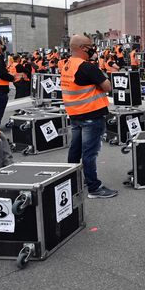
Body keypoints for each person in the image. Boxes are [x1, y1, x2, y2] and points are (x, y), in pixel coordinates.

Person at [61, 35, 118, 199]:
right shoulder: (87, 67)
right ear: (83, 48)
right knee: (89, 153)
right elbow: (107, 87)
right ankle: (94, 187)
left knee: (75, 150)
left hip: (75, 114)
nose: (93, 48)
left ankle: (71, 181)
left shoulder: (67, 64)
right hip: (91, 115)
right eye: (90, 46)